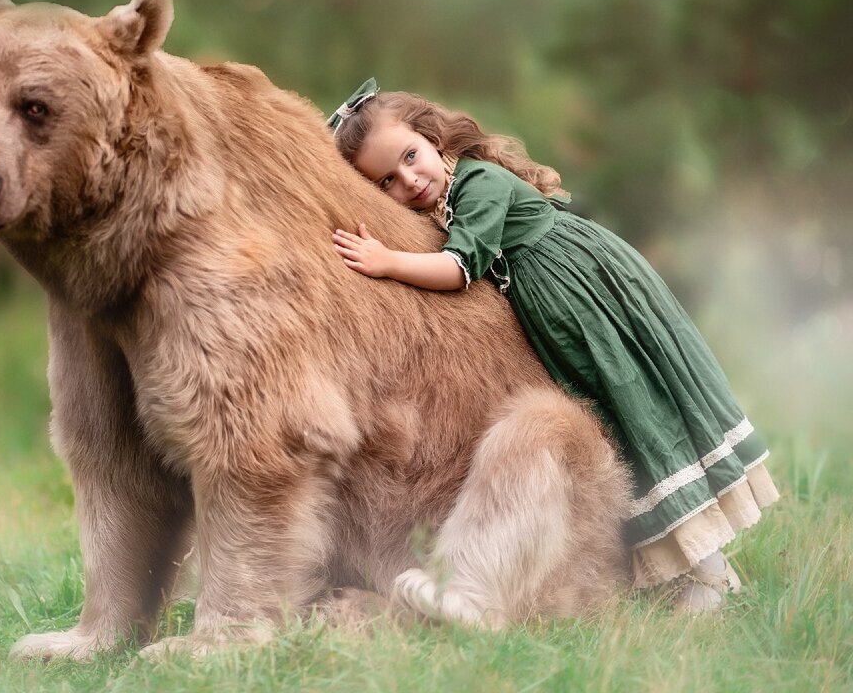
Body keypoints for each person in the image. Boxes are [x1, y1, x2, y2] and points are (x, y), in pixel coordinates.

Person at [327, 78, 779, 612]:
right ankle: (670, 569)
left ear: (436, 140)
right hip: (559, 315)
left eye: (410, 156)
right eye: (386, 183)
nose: (409, 179)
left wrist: (387, 260)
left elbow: (459, 268)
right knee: (617, 426)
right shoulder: (445, 199)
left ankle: (711, 572)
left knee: (638, 414)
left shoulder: (478, 183)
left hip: (587, 298)